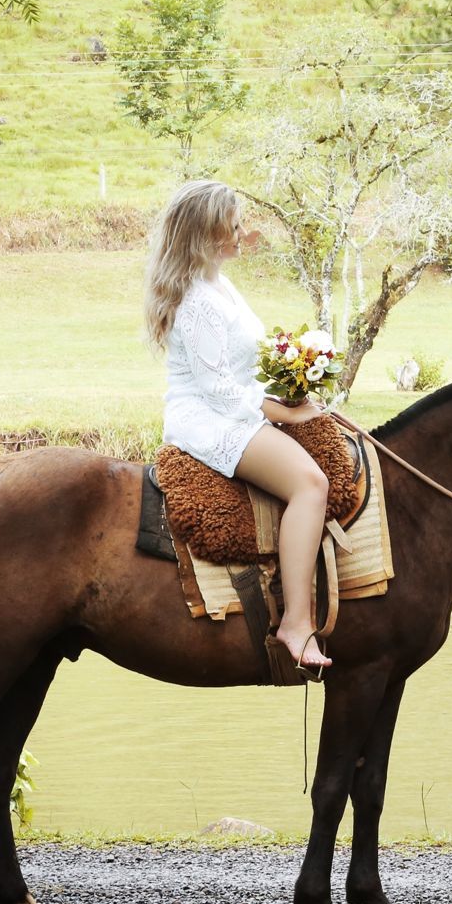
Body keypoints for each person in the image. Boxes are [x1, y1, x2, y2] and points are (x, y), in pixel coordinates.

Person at [144, 180, 332, 677]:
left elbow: (246, 360)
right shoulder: (199, 301)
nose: (243, 233)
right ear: (207, 233)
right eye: (234, 224)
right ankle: (295, 621)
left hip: (236, 405)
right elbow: (219, 390)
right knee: (311, 485)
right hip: (212, 421)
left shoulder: (218, 282)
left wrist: (295, 377)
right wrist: (283, 412)